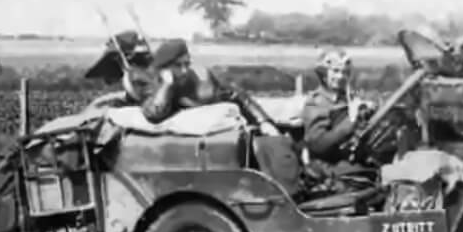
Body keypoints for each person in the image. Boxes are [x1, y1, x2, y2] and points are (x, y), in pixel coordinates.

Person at [140, 38, 280, 135]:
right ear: (164, 68)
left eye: (186, 64)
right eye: (177, 65)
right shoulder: (155, 84)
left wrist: (264, 122)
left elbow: (235, 94)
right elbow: (154, 115)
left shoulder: (199, 78)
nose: (184, 70)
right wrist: (167, 85)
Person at [300, 48, 373, 179]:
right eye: (335, 71)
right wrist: (350, 121)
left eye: (345, 73)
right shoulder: (316, 102)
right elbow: (318, 145)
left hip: (350, 161)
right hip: (326, 167)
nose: (340, 77)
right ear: (323, 74)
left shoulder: (348, 98)